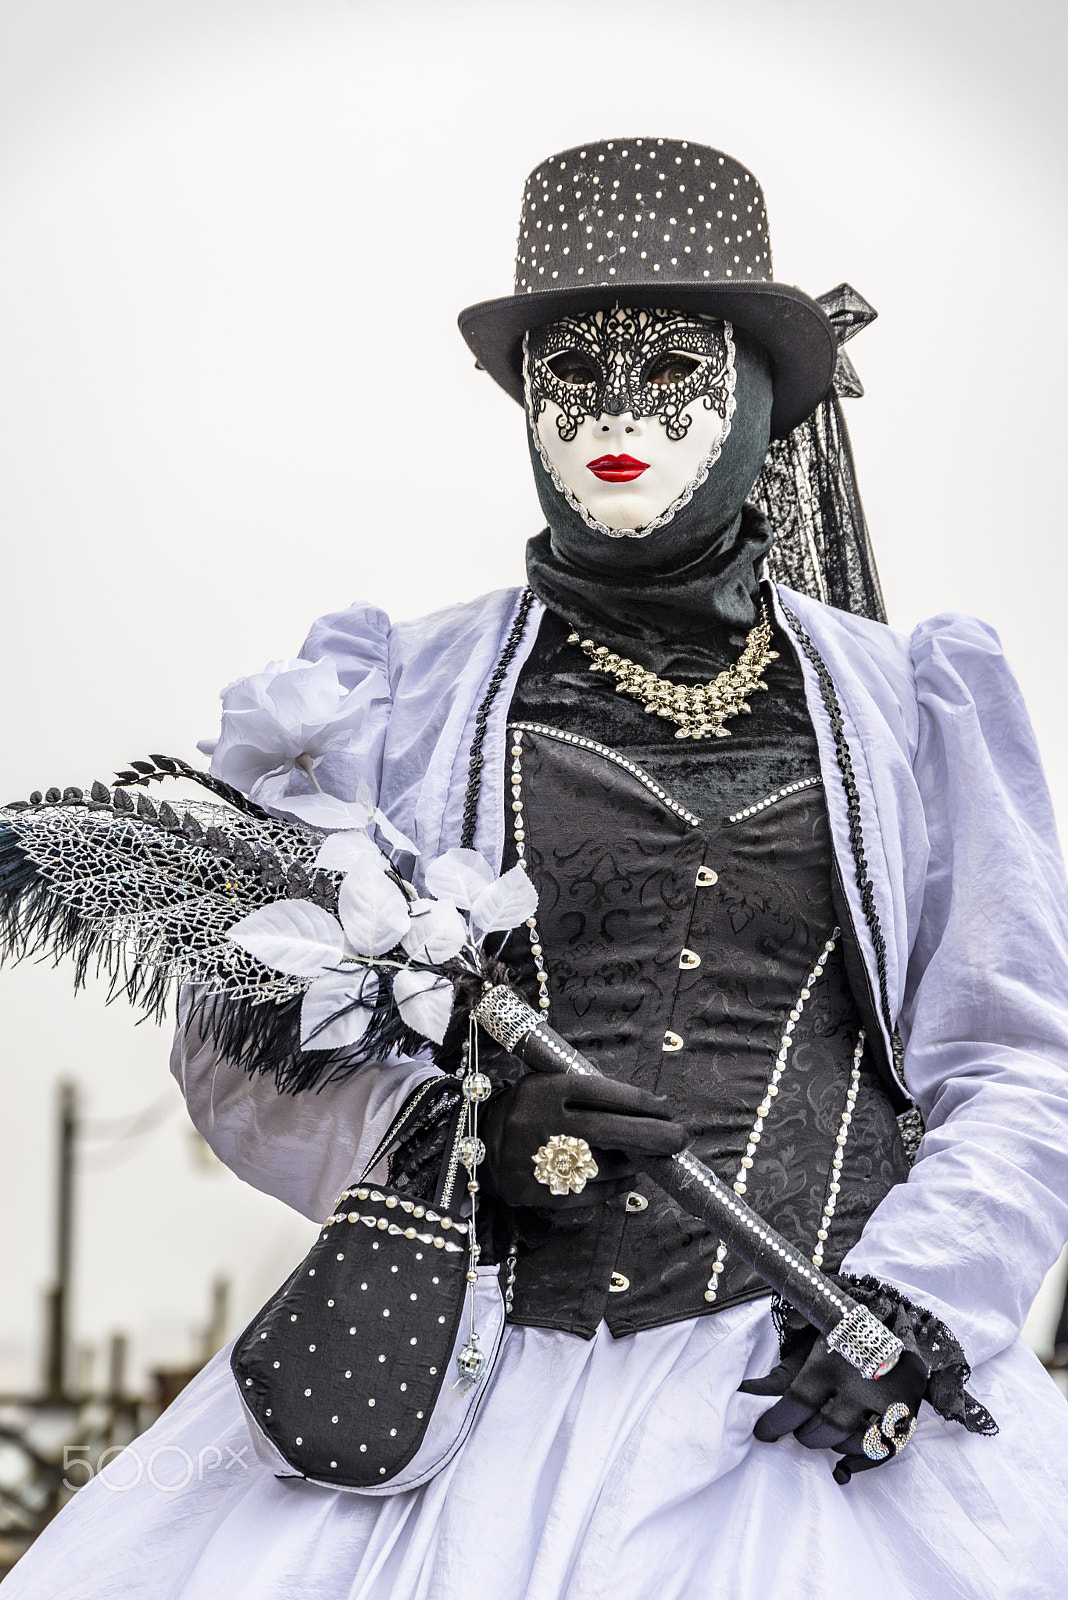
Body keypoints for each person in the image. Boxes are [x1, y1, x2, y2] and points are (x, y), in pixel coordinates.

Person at [5, 135, 1068, 1600]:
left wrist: (916, 1301)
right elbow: (244, 1046)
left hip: (816, 1406)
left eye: (671, 368)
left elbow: (1017, 1058)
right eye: (574, 373)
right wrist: (446, 1142)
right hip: (470, 1405)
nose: (618, 412)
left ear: (761, 397)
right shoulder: (388, 694)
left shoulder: (917, 706)